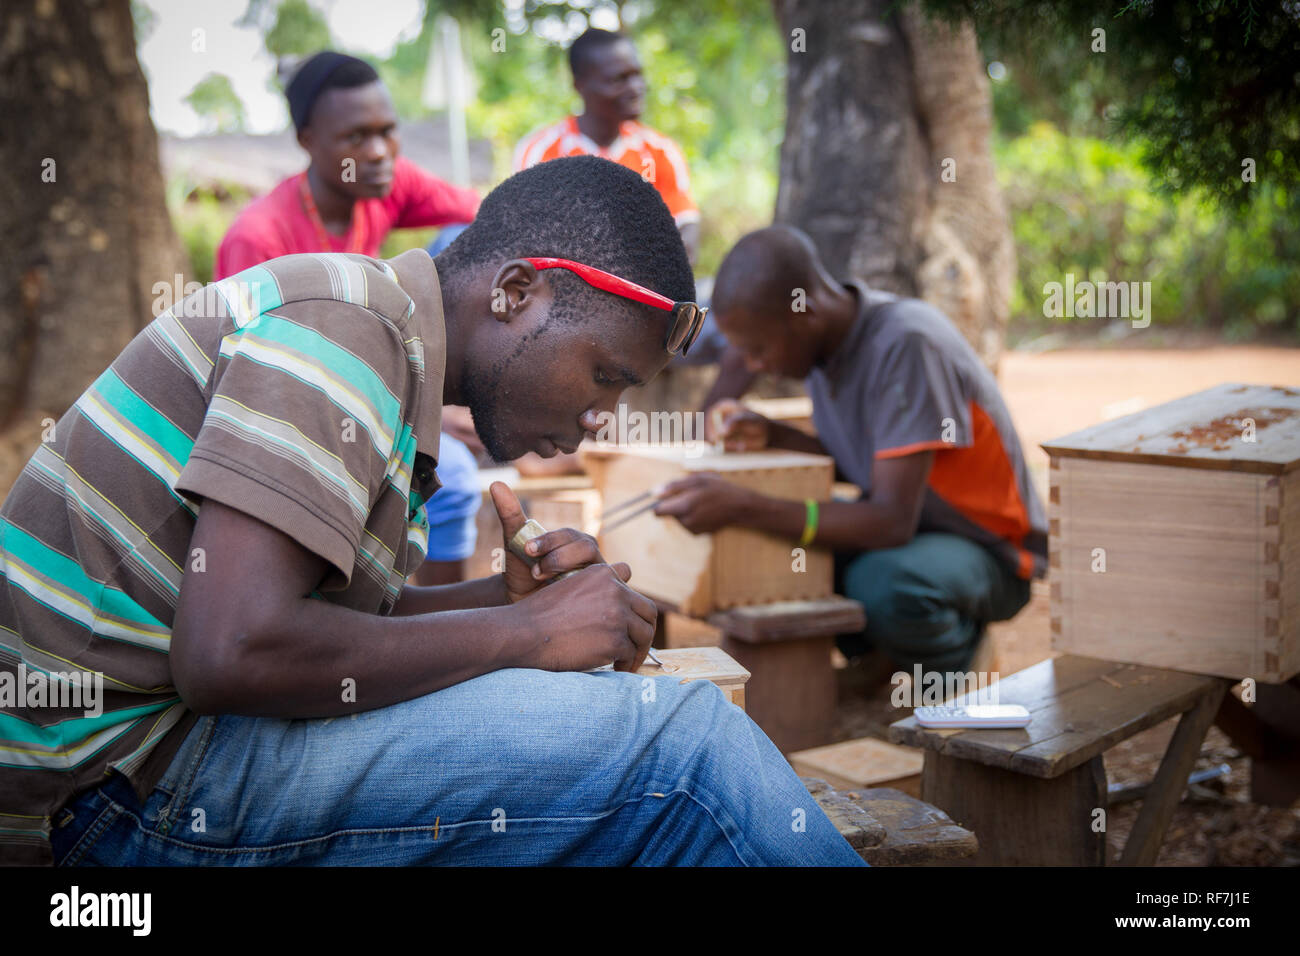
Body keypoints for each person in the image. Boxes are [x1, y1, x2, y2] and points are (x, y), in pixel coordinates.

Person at [0, 158, 863, 867]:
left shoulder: (382, 337)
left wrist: (499, 603)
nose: (602, 416)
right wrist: (530, 637)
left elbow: (308, 628)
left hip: (135, 764)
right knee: (683, 753)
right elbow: (231, 652)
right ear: (517, 292)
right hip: (110, 799)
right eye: (604, 374)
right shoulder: (344, 328)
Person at [654, 225, 1047, 676]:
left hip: (990, 549)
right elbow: (866, 466)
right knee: (792, 561)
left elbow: (890, 521)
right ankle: (888, 659)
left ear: (806, 313)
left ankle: (959, 662)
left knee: (884, 584)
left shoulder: (906, 344)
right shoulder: (823, 350)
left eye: (759, 349)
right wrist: (776, 435)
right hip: (919, 526)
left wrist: (743, 506)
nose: (755, 367)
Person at [215, 50, 484, 583]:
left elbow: (487, 215)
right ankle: (432, 642)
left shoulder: (382, 188)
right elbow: (248, 384)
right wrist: (420, 415)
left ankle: (436, 644)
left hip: (372, 374)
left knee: (469, 243)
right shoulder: (260, 237)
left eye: (388, 131)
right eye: (356, 138)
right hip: (291, 403)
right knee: (450, 477)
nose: (380, 152)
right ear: (307, 141)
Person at [514, 28, 700, 265]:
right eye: (618, 79)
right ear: (579, 85)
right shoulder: (541, 152)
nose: (636, 87)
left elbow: (687, 229)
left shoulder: (660, 151)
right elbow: (531, 241)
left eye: (637, 75)